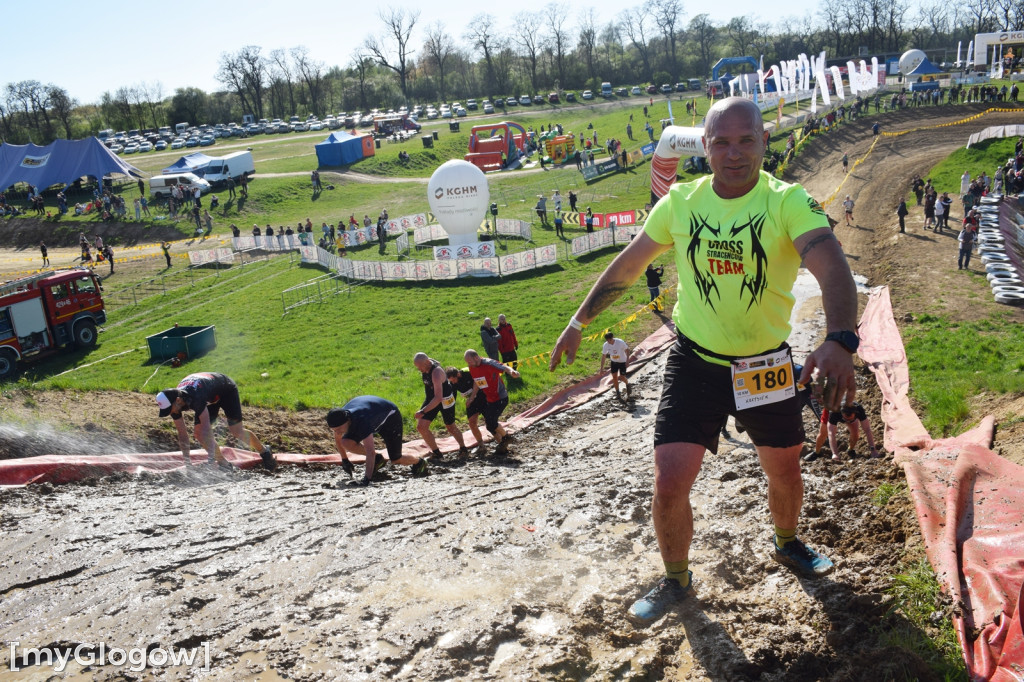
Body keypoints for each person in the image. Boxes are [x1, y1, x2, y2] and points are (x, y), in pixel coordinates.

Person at [549, 97, 858, 623]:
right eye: (721, 142)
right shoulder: (681, 201)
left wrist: (841, 340)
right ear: (705, 148)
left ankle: (788, 542)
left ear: (764, 141)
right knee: (669, 481)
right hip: (695, 361)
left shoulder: (788, 201)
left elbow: (832, 268)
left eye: (746, 140)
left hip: (764, 364)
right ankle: (675, 580)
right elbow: (627, 268)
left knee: (784, 471)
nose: (734, 153)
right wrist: (578, 322)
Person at [156, 372, 276, 471]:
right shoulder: (175, 404)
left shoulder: (196, 397)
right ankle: (225, 464)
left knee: (236, 431)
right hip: (209, 395)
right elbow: (182, 434)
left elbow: (207, 429)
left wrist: (210, 461)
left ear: (178, 401)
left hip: (226, 390)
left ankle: (265, 451)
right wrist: (188, 464)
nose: (171, 413)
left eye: (169, 410)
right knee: (199, 435)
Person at [326, 396, 428, 486]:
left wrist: (366, 479)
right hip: (372, 412)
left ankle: (419, 462)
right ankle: (378, 459)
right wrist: (345, 460)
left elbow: (370, 451)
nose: (337, 432)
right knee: (346, 442)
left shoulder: (362, 420)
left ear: (347, 421)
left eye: (339, 429)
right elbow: (338, 439)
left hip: (390, 417)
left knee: (396, 458)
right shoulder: (340, 419)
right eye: (334, 430)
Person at [413, 353, 470, 461]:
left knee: (450, 426)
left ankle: (463, 449)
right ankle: (437, 453)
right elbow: (433, 397)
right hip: (431, 398)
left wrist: (423, 411)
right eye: (417, 366)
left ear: (427, 363)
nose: (419, 369)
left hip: (444, 400)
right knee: (421, 427)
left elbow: (438, 398)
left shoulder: (436, 373)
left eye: (420, 366)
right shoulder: (426, 365)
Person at [465, 349, 519, 455]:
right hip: (490, 399)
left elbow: (503, 367)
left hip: (501, 397)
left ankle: (506, 438)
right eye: (467, 362)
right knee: (489, 425)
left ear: (476, 357)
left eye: (470, 361)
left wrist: (512, 371)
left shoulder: (489, 363)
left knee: (491, 421)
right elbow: (477, 382)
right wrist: (472, 397)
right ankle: (504, 443)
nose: (468, 364)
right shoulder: (472, 367)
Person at [806, 402, 881, 461]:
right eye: (846, 418)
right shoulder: (834, 412)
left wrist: (873, 450)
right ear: (842, 413)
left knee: (855, 434)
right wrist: (835, 454)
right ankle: (817, 452)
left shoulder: (859, 409)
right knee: (823, 434)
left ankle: (850, 450)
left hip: (848, 413)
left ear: (855, 413)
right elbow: (831, 434)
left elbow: (867, 430)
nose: (847, 421)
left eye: (850, 418)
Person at [446, 366, 487, 450]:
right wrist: (450, 412)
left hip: (483, 397)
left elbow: (481, 383)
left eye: (454, 380)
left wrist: (472, 397)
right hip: (471, 401)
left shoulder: (468, 373)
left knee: (490, 421)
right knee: (472, 423)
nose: (453, 383)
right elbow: (453, 397)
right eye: (451, 381)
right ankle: (481, 444)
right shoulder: (452, 384)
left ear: (458, 374)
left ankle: (502, 438)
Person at [600, 332, 631, 400]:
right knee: (614, 377)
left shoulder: (620, 342)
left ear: (612, 338)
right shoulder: (605, 345)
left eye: (610, 340)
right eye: (607, 340)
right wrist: (601, 368)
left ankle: (627, 384)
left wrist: (627, 360)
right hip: (614, 362)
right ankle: (618, 393)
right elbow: (603, 356)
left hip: (622, 361)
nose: (609, 342)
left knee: (622, 377)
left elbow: (627, 350)